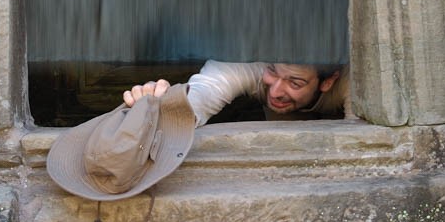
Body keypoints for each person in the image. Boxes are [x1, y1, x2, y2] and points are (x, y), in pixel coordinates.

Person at [123, 60, 352, 126]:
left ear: (328, 81)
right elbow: (208, 89)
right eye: (272, 71)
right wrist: (164, 105)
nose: (275, 90)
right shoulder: (249, 64)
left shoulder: (354, 82)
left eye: (295, 82)